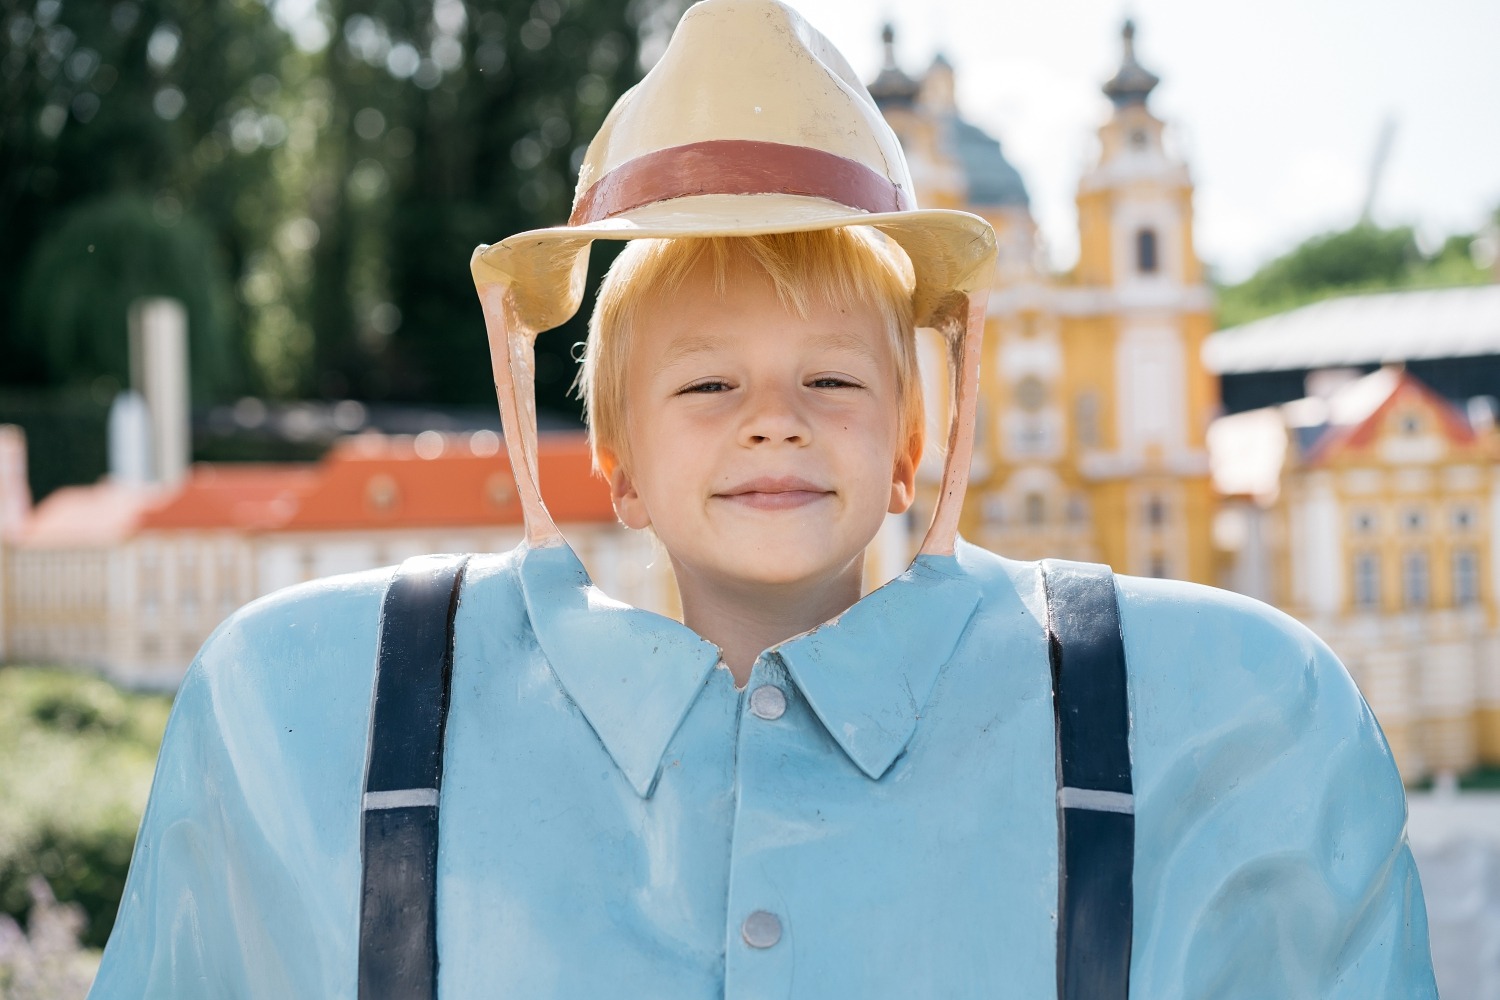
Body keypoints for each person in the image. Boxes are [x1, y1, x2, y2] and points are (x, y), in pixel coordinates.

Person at [89, 1, 1438, 997]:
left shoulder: (1246, 719)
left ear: (916, 443)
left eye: (834, 384)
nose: (774, 418)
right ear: (608, 459)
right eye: (705, 388)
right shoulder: (303, 711)